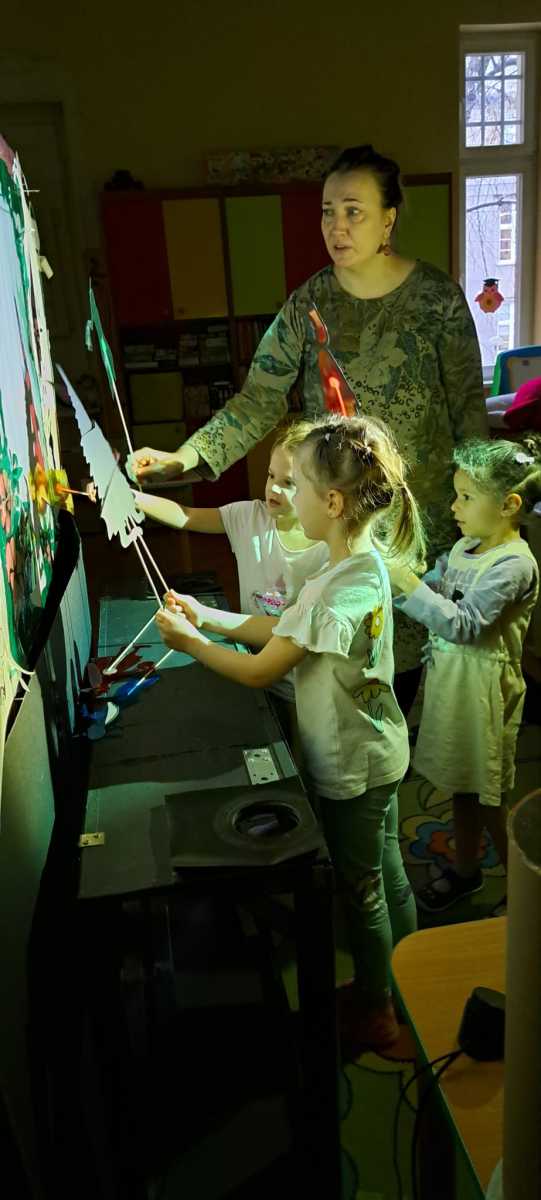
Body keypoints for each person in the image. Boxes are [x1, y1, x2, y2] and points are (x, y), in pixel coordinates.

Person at [127, 143, 488, 713]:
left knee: (414, 667)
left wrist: (483, 523)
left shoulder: (437, 299)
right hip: (342, 519)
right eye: (327, 212)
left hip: (424, 521)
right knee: (336, 659)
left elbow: (470, 415)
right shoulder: (309, 305)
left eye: (354, 211)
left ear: (388, 219)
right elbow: (256, 402)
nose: (336, 227)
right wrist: (183, 458)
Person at [154, 414, 425, 1058]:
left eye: (295, 484)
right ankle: (406, 984)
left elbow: (261, 669)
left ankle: (381, 1011)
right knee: (386, 872)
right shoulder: (351, 566)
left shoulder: (334, 590)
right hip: (380, 750)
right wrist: (208, 615)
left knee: (363, 889)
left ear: (330, 503)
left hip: (352, 765)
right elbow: (278, 630)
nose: (284, 496)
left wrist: (192, 643)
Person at [388, 438, 541, 912]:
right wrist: (406, 579)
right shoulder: (464, 547)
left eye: (466, 497)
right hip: (454, 685)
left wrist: (408, 584)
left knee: (490, 795)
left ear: (509, 505)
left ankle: (526, 891)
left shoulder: (514, 565)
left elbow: (465, 624)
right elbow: (434, 591)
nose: (454, 507)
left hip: (485, 695)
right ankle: (468, 869)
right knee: (462, 785)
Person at [133, 421, 328, 751]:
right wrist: (132, 498)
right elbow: (187, 515)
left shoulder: (326, 548)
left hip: (306, 691)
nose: (274, 489)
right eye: (271, 476)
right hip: (252, 672)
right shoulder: (247, 517)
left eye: (289, 483)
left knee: (301, 760)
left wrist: (201, 625)